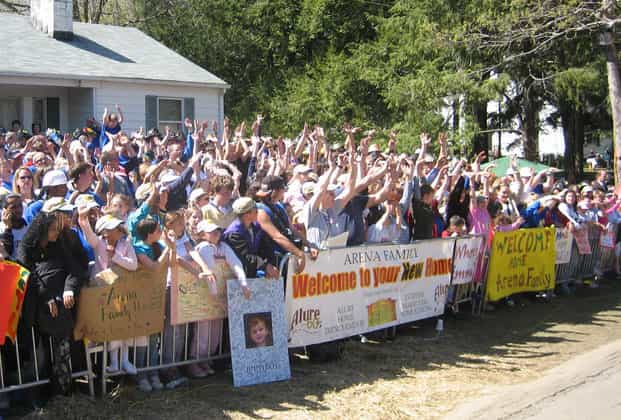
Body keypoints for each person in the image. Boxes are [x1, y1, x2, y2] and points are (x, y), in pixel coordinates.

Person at [17, 198, 88, 395]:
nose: (57, 233)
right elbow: (29, 275)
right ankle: (36, 392)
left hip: (60, 308)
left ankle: (63, 389)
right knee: (38, 353)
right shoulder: (26, 249)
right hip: (35, 308)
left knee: (62, 349)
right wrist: (46, 296)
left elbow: (74, 268)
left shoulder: (61, 244)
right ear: (42, 230)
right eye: (53, 230)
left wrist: (67, 289)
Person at [223, 197, 279, 278]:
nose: (258, 211)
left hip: (251, 274)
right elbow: (244, 257)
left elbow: (265, 248)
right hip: (237, 278)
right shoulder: (233, 234)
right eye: (255, 210)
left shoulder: (255, 227)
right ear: (246, 215)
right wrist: (265, 266)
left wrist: (271, 265)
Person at [0, 194, 28, 260]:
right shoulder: (1, 229)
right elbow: (6, 253)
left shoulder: (28, 228)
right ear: (5, 210)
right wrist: (8, 229)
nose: (19, 210)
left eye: (20, 206)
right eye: (13, 207)